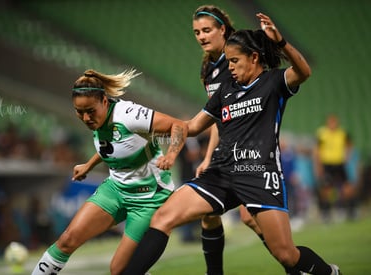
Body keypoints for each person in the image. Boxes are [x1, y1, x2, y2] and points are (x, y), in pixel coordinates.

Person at [123, 13, 341, 274]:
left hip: (259, 173)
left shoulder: (273, 82)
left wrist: (281, 42)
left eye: (235, 61)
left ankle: (329, 272)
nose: (232, 67)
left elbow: (303, 71)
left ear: (254, 58)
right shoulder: (224, 90)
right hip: (222, 171)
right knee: (162, 217)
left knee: (286, 254)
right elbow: (191, 127)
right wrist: (147, 125)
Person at [31, 68, 187, 275]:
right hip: (115, 190)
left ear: (105, 101)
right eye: (79, 112)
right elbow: (113, 146)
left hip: (148, 198)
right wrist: (89, 164)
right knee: (67, 240)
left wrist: (172, 155)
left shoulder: (130, 115)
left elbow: (179, 126)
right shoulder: (97, 117)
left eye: (90, 111)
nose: (86, 118)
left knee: (119, 270)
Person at [192, 6, 301, 275]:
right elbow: (220, 115)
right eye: (196, 32)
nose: (201, 37)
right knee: (210, 214)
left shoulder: (237, 60)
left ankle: (292, 263)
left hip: (249, 154)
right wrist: (208, 156)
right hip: (227, 151)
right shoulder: (209, 70)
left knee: (246, 218)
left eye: (207, 30)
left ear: (223, 30)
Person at [313, 114, 348, 222]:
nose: (333, 124)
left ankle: (342, 208)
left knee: (343, 188)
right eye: (331, 122)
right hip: (327, 164)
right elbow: (317, 150)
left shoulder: (342, 133)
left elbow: (348, 145)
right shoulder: (322, 133)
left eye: (334, 122)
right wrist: (318, 166)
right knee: (326, 189)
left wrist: (346, 157)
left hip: (339, 163)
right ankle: (326, 211)